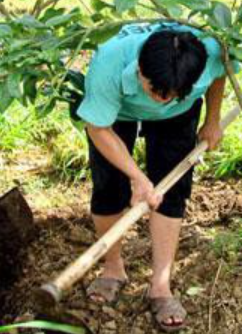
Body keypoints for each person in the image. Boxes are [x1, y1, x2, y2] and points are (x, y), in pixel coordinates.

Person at [76, 21, 231, 331]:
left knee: (171, 193)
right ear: (139, 71)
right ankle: (112, 268)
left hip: (178, 116)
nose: (160, 98)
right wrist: (136, 176)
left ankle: (160, 285)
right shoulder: (109, 62)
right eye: (154, 90)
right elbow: (98, 128)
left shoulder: (211, 52)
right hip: (117, 115)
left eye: (171, 93)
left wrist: (213, 119)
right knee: (109, 189)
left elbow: (221, 74)